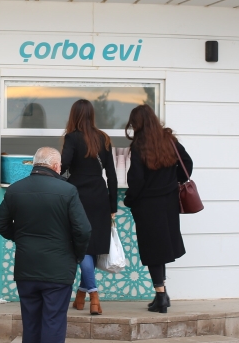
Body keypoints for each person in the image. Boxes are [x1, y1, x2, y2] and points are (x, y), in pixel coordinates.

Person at [0, 147, 91, 343]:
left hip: (26, 269)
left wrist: (20, 237)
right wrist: (75, 254)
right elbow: (83, 230)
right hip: (58, 271)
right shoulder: (68, 191)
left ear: (35, 164)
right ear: (56, 167)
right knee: (53, 327)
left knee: (32, 327)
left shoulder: (16, 190)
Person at [122, 105, 191, 314]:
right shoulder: (169, 139)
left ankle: (160, 296)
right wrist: (172, 182)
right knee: (162, 248)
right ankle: (163, 293)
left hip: (148, 205)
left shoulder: (139, 146)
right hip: (169, 202)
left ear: (138, 123)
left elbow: (136, 179)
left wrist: (129, 199)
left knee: (154, 250)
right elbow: (187, 164)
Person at [61, 99, 118, 315]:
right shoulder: (102, 138)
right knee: (91, 247)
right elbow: (111, 174)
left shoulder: (72, 137)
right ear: (92, 115)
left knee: (82, 246)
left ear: (73, 115)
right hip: (100, 195)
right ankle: (82, 295)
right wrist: (113, 204)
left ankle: (93, 293)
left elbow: (64, 164)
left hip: (78, 196)